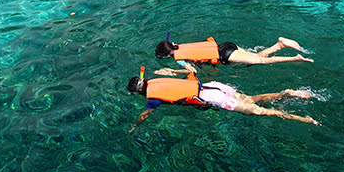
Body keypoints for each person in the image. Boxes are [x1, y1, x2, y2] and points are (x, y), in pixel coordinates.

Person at [126, 70, 320, 131]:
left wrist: (135, 124)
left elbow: (145, 114)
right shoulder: (157, 80)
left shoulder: (153, 98)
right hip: (214, 86)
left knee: (259, 111)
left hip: (212, 97)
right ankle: (285, 94)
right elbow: (189, 74)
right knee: (251, 99)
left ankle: (305, 119)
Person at [153, 36, 312, 74]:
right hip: (226, 46)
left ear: (168, 55)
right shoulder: (180, 46)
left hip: (225, 54)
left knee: (259, 61)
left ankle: (294, 57)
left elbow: (192, 71)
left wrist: (172, 71)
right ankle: (280, 45)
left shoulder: (179, 59)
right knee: (254, 58)